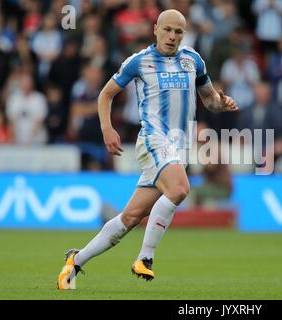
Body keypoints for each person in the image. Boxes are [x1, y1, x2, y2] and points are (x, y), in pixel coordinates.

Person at [57, 9, 238, 290]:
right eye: (167, 30)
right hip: (153, 140)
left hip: (178, 149)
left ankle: (75, 261)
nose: (172, 36)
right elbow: (106, 94)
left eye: (178, 32)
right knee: (179, 189)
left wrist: (221, 103)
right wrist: (107, 128)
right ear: (156, 29)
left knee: (129, 217)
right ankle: (145, 257)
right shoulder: (139, 62)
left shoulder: (194, 61)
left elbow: (209, 99)